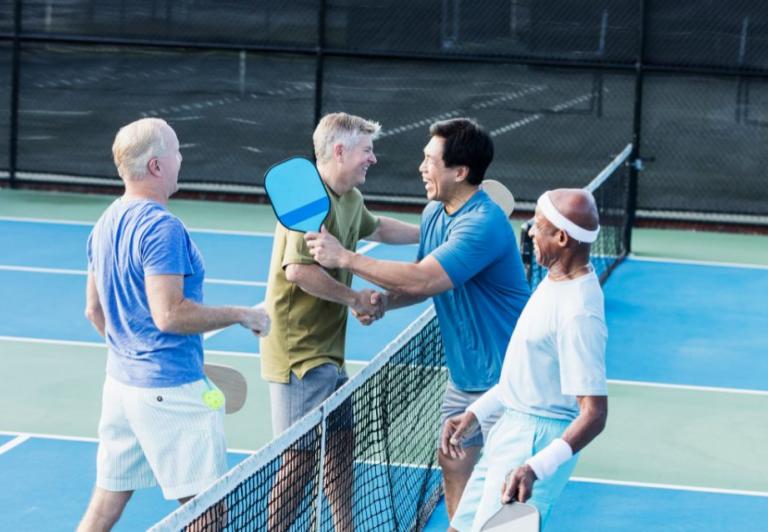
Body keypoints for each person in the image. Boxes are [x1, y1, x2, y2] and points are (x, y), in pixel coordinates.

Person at [304, 117, 531, 520]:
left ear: (459, 172)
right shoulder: (433, 214)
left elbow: (426, 278)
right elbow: (418, 282)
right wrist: (379, 304)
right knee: (453, 466)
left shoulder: (484, 223)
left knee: (506, 492)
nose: (421, 168)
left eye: (430, 161)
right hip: (464, 380)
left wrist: (345, 258)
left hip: (508, 383)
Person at [78, 117, 271, 532]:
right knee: (208, 513)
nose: (182, 158)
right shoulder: (161, 227)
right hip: (169, 391)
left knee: (105, 505)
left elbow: (94, 311)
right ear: (156, 166)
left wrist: (133, 355)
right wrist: (242, 313)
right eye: (177, 150)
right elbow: (170, 315)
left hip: (121, 388)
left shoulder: (105, 222)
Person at [261, 112, 420, 531]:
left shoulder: (349, 198)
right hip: (300, 353)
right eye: (367, 150)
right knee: (299, 458)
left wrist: (432, 232)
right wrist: (354, 297)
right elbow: (298, 270)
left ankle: (345, 526)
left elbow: (379, 228)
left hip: (329, 349)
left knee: (341, 441)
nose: (373, 159)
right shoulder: (307, 199)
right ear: (339, 151)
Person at [441, 188, 609, 531]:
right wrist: (476, 413)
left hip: (535, 442)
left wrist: (536, 467)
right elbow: (526, 376)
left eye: (539, 226)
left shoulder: (579, 313)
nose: (530, 231)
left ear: (562, 237)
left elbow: (594, 414)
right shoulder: (553, 280)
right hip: (509, 427)